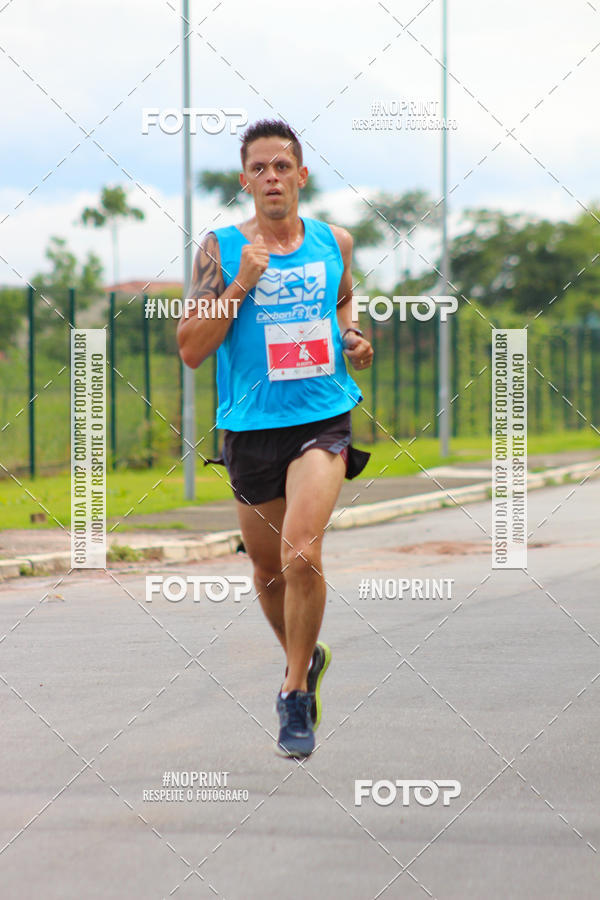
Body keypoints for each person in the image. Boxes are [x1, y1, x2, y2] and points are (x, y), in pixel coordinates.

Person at [177, 119, 374, 758]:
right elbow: (190, 350)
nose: (271, 178)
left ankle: (293, 692)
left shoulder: (333, 242)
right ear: (245, 181)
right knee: (267, 569)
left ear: (301, 177)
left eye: (281, 167)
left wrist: (352, 338)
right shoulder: (221, 250)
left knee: (302, 553)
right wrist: (240, 285)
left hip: (321, 418)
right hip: (249, 427)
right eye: (259, 169)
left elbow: (344, 303)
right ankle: (306, 656)